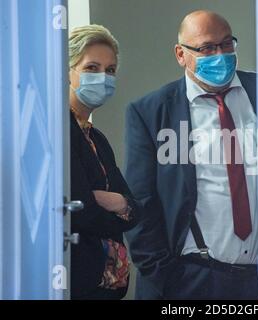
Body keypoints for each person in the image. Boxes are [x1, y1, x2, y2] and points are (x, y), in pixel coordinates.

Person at [125, 10, 258, 300]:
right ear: (180, 54)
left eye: (227, 44)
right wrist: (166, 277)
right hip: (191, 280)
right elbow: (140, 203)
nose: (220, 55)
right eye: (207, 48)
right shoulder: (151, 112)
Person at [69, 24, 140, 299]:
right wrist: (121, 207)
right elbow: (80, 210)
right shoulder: (58, 132)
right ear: (67, 71)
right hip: (77, 286)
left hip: (108, 289)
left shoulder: (96, 137)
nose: (103, 77)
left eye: (110, 70)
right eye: (91, 68)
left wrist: (119, 202)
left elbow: (135, 209)